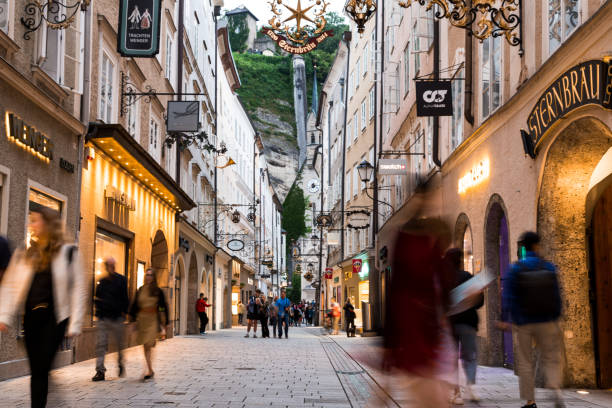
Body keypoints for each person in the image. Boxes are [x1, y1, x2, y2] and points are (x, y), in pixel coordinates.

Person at [0, 207, 87, 408]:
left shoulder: (69, 253)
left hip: (55, 318)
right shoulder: (27, 252)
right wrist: (3, 315)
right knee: (37, 369)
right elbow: (11, 285)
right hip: (30, 318)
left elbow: (79, 288)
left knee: (41, 367)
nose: (31, 225)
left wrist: (75, 322)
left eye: (35, 220)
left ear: (48, 224)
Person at [499, 232, 565, 408]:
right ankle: (555, 386)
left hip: (524, 322)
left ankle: (530, 401)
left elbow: (508, 296)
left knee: (526, 362)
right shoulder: (549, 267)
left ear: (523, 247)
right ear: (537, 245)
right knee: (551, 357)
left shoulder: (516, 268)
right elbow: (557, 295)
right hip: (547, 320)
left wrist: (506, 318)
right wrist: (557, 316)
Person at [445, 248, 484, 404]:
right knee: (470, 356)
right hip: (468, 323)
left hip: (449, 325)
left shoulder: (442, 280)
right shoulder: (467, 277)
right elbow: (480, 302)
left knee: (451, 358)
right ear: (460, 261)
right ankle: (471, 387)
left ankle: (455, 393)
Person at [92, 257, 129, 382]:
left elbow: (125, 298)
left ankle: (120, 363)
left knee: (119, 344)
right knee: (101, 344)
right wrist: (98, 311)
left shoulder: (122, 280)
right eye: (109, 265)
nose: (111, 267)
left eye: (113, 264)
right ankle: (100, 371)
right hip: (103, 317)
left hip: (117, 317)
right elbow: (97, 298)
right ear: (106, 266)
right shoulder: (101, 282)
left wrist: (126, 314)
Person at [128, 268, 169, 381]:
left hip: (152, 320)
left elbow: (163, 307)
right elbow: (134, 306)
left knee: (148, 344)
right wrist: (132, 321)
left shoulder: (157, 291)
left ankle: (149, 369)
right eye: (147, 275)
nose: (148, 277)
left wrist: (165, 323)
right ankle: (150, 369)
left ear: (154, 277)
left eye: (151, 275)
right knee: (145, 346)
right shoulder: (140, 290)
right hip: (142, 320)